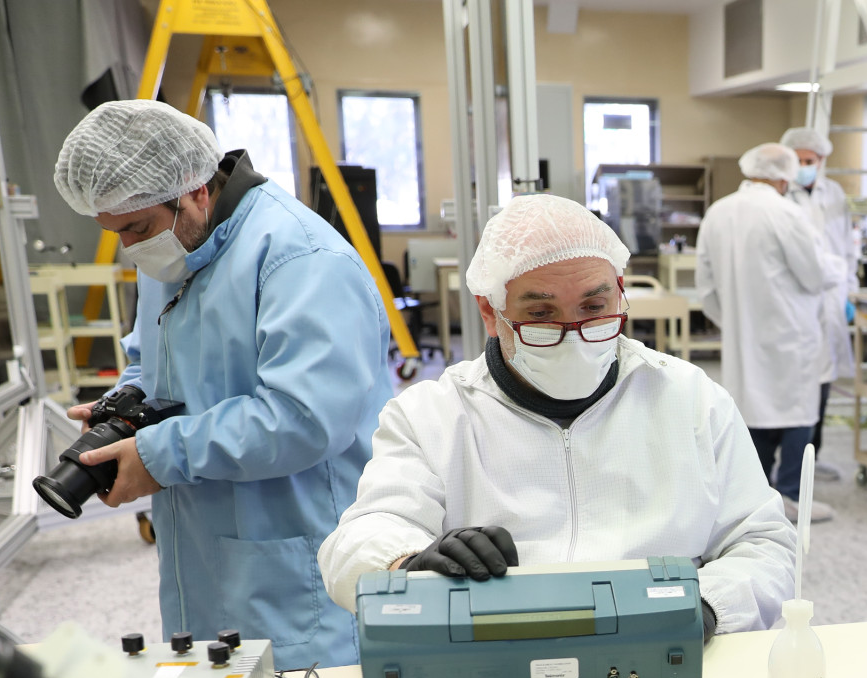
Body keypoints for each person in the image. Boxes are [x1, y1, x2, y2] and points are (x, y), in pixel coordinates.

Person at [317, 194, 797, 637]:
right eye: (542, 315)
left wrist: (705, 607)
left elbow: (763, 543)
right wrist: (407, 564)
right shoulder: (432, 415)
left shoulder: (690, 400)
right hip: (495, 654)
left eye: (594, 306)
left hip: (663, 650)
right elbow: (358, 539)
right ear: (490, 312)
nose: (574, 334)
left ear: (620, 293)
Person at [53, 100, 394, 670]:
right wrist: (124, 408)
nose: (130, 246)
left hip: (295, 566)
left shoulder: (301, 260)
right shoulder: (172, 246)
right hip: (202, 555)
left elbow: (304, 419)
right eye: (113, 231)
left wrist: (160, 454)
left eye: (136, 228)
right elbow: (149, 358)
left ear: (195, 192)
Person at [698, 142, 846, 521]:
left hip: (742, 335)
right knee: (797, 411)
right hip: (790, 333)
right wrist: (839, 267)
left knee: (752, 411)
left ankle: (754, 497)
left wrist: (735, 321)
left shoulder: (718, 212)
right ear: (785, 178)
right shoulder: (786, 213)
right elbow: (814, 274)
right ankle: (791, 498)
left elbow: (706, 287)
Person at [781, 126, 859, 483]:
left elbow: (847, 248)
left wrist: (849, 293)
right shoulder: (783, 194)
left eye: (809, 160)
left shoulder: (835, 194)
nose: (803, 166)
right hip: (797, 300)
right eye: (797, 160)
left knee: (824, 383)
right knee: (795, 383)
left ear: (822, 160)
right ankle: (790, 463)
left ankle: (814, 457)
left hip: (832, 298)